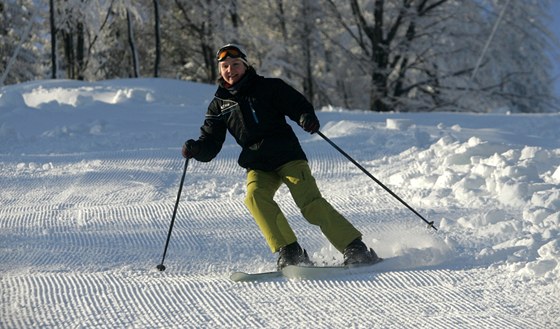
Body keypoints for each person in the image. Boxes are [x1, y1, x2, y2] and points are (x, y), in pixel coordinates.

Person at [182, 43, 379, 270]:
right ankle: (290, 251)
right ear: (219, 71)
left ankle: (355, 248)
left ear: (245, 66)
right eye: (225, 66)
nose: (230, 70)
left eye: (235, 64)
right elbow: (210, 144)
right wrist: (196, 149)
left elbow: (297, 105)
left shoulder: (269, 87)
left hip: (288, 156)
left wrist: (306, 117)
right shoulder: (219, 105)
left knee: (310, 203)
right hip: (258, 164)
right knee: (255, 197)